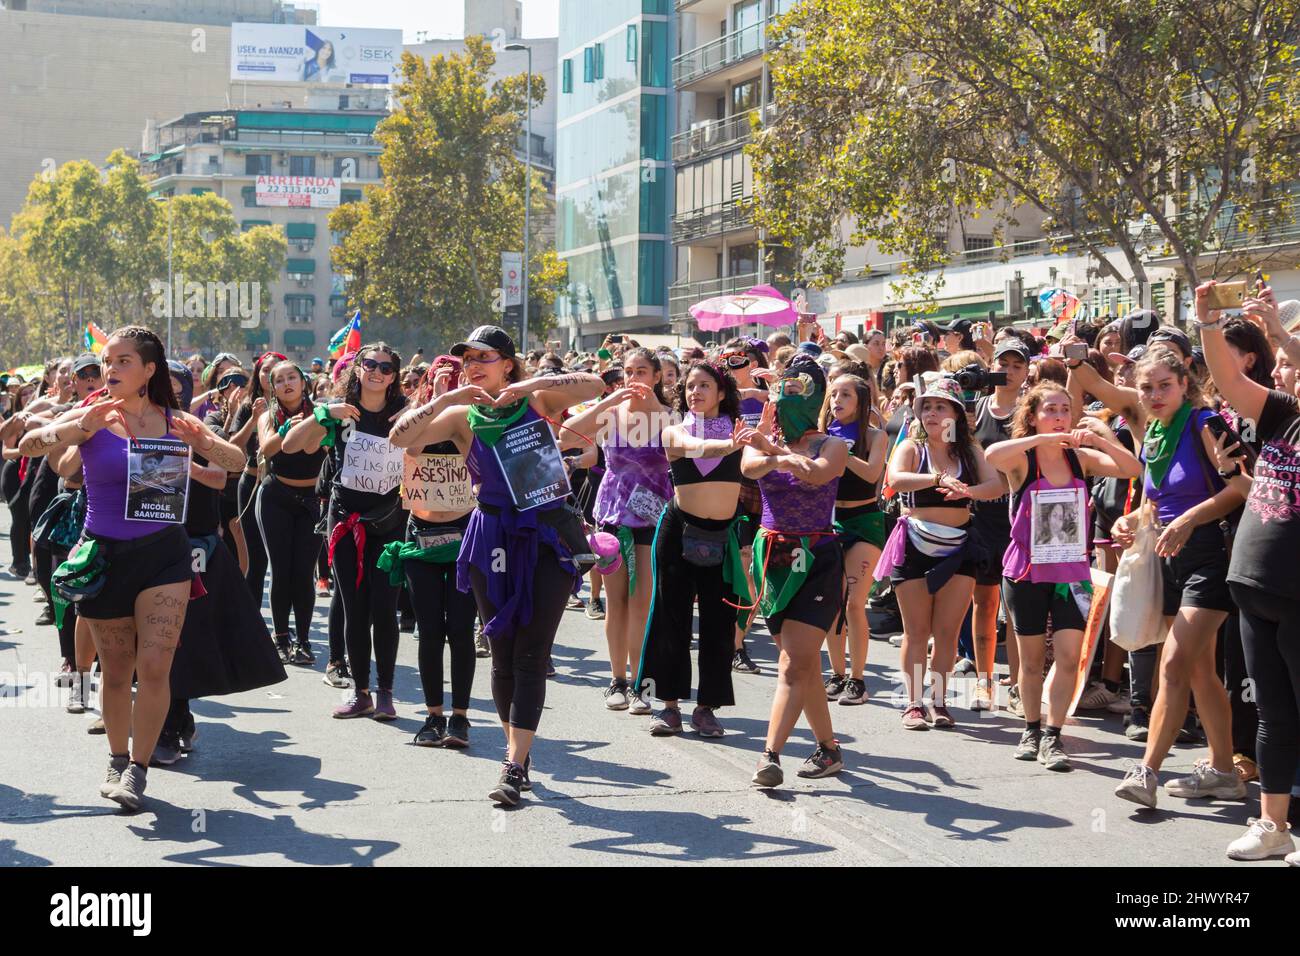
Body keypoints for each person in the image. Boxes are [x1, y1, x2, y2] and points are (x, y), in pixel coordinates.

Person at [19, 326, 246, 811]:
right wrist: (77, 428)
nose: (112, 369)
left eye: (123, 361)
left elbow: (237, 460)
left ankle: (138, 772)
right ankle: (117, 759)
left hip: (164, 555)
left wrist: (203, 443)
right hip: (104, 554)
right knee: (117, 672)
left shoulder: (176, 420)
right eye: (108, 362)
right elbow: (31, 444)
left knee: (156, 666)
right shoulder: (92, 416)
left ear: (149, 370)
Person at [389, 324, 603, 805]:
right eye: (468, 358)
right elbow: (399, 438)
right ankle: (518, 755)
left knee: (531, 654)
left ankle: (511, 766)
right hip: (490, 536)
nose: (473, 364)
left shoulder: (537, 402)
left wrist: (531, 386)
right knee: (502, 653)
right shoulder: (464, 415)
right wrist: (444, 400)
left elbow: (595, 387)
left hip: (546, 533)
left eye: (484, 356)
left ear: (507, 362)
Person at [1111, 348, 1246, 809]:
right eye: (1146, 388)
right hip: (1170, 557)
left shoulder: (1205, 422)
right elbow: (1157, 500)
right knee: (1199, 670)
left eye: (1164, 385)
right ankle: (1224, 772)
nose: (1154, 395)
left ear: (1185, 383)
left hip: (1212, 556)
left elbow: (1244, 486)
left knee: (1172, 666)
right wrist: (1133, 520)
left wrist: (1189, 520)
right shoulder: (1153, 431)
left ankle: (1146, 771)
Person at [985, 383, 1141, 770]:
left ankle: (1053, 737)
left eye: (1064, 410)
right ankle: (1032, 729)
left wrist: (1101, 439)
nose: (1058, 416)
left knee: (1070, 658)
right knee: (1033, 661)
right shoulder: (1023, 459)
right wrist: (1039, 438)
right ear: (1034, 415)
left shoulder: (1080, 459)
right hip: (1026, 572)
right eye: (1050, 409)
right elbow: (991, 454)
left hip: (1071, 573)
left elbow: (1133, 469)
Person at [1197, 281, 1300, 863]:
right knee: (1273, 715)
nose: (1281, 373)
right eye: (1279, 363)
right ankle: (1273, 826)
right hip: (1257, 588)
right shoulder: (1282, 414)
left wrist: (1280, 333)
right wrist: (1209, 321)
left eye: (1288, 363)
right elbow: (1232, 383)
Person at [741, 354, 849, 786]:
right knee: (801, 664)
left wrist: (778, 455)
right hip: (775, 555)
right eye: (784, 392)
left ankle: (770, 756)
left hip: (817, 554)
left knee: (793, 663)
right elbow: (748, 467)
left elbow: (821, 475)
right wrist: (771, 449)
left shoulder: (834, 444)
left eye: (799, 392)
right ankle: (829, 749)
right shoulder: (764, 438)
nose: (788, 403)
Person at [284, 343, 407, 720]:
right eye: (369, 364)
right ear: (356, 369)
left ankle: (385, 691)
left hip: (389, 522)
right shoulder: (339, 414)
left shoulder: (403, 413)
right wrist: (322, 412)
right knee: (354, 607)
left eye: (386, 368)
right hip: (345, 519)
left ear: (393, 376)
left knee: (385, 608)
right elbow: (291, 445)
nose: (377, 372)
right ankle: (361, 691)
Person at [875, 374, 1004, 730]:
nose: (932, 413)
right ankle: (913, 702)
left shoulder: (968, 451)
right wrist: (936, 479)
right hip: (914, 544)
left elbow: (995, 485)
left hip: (959, 547)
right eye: (926, 407)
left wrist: (969, 493)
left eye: (940, 406)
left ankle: (939, 700)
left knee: (946, 632)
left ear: (956, 415)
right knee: (917, 631)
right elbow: (894, 480)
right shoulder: (912, 448)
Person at [638, 361, 754, 739]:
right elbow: (698, 446)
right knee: (671, 619)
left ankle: (707, 708)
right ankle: (668, 706)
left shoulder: (743, 433)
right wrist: (731, 444)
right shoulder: (675, 432)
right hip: (678, 534)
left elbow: (761, 465)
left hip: (722, 536)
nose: (695, 392)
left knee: (719, 624)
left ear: (722, 392)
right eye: (690, 386)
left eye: (705, 385)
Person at [564, 348, 673, 714]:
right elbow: (570, 434)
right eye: (628, 371)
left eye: (642, 371)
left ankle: (642, 680)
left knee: (644, 600)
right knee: (617, 601)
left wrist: (654, 405)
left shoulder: (666, 415)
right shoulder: (611, 414)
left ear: (657, 376)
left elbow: (683, 439)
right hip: (612, 514)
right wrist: (610, 398)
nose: (634, 378)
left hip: (654, 515)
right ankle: (617, 680)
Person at [384, 357, 480, 749]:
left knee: (460, 629)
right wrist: (439, 400)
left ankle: (460, 717)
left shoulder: (471, 418)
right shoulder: (418, 415)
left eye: (457, 377)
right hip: (422, 536)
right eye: (442, 377)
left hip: (463, 533)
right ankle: (433, 715)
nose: (450, 382)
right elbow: (411, 442)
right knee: (429, 631)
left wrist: (458, 404)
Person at [969, 339, 1030, 710]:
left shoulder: (1031, 411)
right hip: (982, 518)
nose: (1008, 371)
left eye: (1017, 365)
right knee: (985, 603)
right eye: (1002, 362)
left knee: (1020, 606)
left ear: (1026, 372)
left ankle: (1021, 685)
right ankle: (983, 681)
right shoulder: (975, 409)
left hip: (1020, 517)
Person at [821, 373, 888, 706]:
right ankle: (837, 673)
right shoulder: (820, 435)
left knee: (853, 602)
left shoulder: (875, 436)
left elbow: (873, 473)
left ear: (860, 402)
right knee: (833, 604)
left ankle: (858, 679)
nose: (837, 401)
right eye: (833, 395)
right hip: (829, 521)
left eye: (845, 395)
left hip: (864, 522)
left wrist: (840, 453)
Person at [257, 360, 326, 665]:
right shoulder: (269, 415)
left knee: (304, 572)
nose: (287, 383)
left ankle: (304, 640)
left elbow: (320, 448)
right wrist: (287, 427)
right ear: (273, 387)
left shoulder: (320, 411)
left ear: (303, 382)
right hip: (276, 497)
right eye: (280, 380)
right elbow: (267, 449)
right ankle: (280, 637)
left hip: (312, 500)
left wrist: (311, 424)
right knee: (281, 570)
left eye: (292, 377)